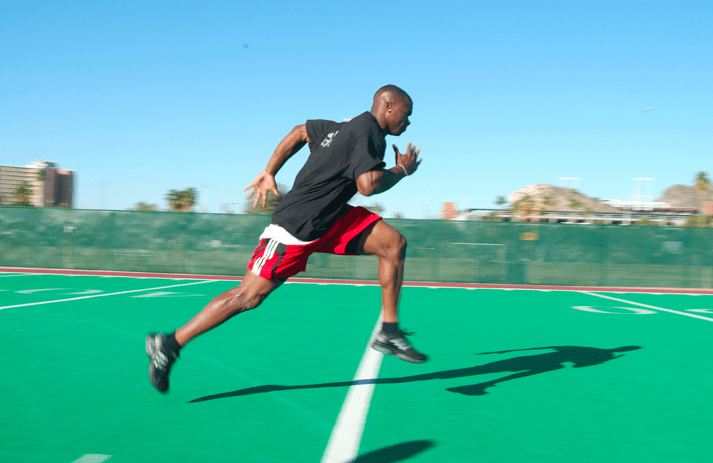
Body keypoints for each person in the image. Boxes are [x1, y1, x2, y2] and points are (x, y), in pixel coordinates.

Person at [146, 84, 427, 394]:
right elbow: (368, 184)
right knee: (248, 297)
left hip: (330, 217)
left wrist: (270, 171)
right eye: (406, 114)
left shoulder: (342, 128)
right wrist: (402, 169)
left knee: (392, 244)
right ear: (388, 107)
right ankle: (169, 343)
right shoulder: (369, 133)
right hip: (298, 226)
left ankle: (389, 330)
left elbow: (299, 132)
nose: (409, 121)